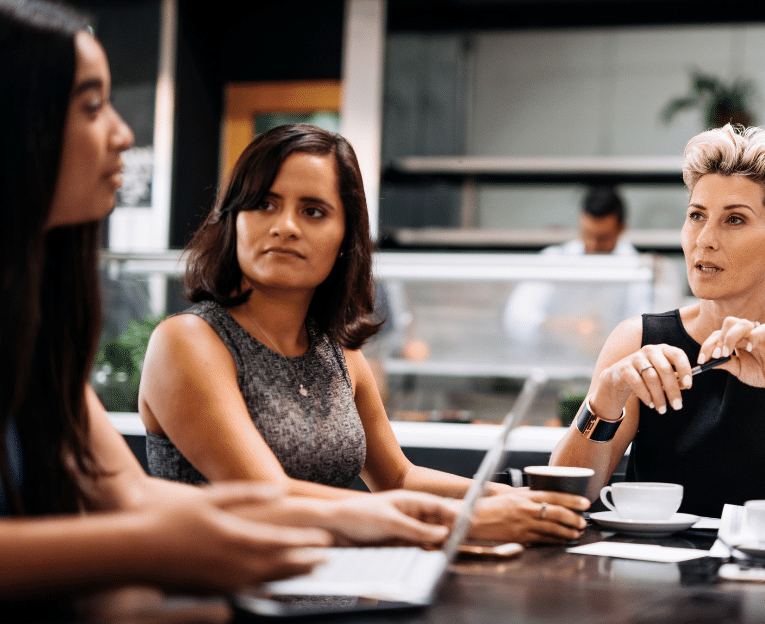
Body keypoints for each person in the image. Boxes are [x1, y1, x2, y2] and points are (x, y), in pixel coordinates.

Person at [0, 1, 459, 601]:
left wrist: (361, 516)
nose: (123, 132)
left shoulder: (35, 327)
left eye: (313, 211)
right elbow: (157, 510)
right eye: (91, 106)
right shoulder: (191, 338)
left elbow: (127, 491)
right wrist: (167, 541)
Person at [139, 123, 589, 545]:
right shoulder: (188, 343)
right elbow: (268, 497)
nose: (285, 226)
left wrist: (506, 499)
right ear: (233, 219)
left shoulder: (338, 353)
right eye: (264, 204)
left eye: (313, 211)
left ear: (344, 240)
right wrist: (460, 521)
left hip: (338, 594)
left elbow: (396, 478)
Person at [550, 125, 765, 518]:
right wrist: (605, 399)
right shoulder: (637, 339)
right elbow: (560, 496)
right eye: (696, 215)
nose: (704, 239)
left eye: (734, 220)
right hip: (655, 574)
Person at [502, 185, 652, 350]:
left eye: (602, 238)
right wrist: (566, 327)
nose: (593, 245)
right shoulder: (556, 259)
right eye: (587, 234)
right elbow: (515, 317)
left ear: (622, 229)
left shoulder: (638, 272)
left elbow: (643, 329)